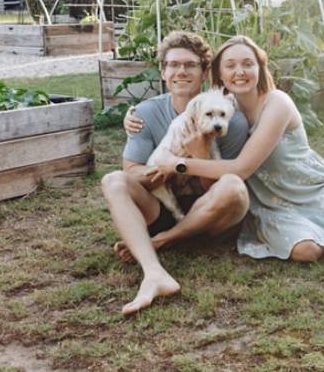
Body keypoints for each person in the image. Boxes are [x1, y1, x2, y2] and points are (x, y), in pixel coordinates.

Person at [138, 35, 324, 265]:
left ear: (260, 68)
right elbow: (182, 111)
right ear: (219, 74)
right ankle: (312, 234)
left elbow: (241, 168)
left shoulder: (277, 102)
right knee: (306, 252)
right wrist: (133, 115)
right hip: (269, 202)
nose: (240, 72)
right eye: (230, 65)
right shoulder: (222, 107)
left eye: (248, 63)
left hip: (310, 189)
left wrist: (176, 164)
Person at [101, 31, 250, 315]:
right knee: (113, 180)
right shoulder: (145, 112)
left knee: (233, 186)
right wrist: (163, 169)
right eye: (173, 65)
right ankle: (153, 272)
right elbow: (132, 173)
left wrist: (198, 155)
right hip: (163, 208)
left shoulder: (229, 118)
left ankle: (163, 241)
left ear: (205, 72)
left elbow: (218, 189)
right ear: (163, 72)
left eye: (191, 65)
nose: (181, 71)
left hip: (212, 216)